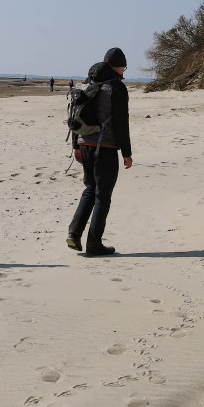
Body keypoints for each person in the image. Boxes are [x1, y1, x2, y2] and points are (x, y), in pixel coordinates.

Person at [67, 47, 133, 256]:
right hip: (105, 148)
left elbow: (75, 119)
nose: (124, 71)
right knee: (102, 196)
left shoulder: (88, 84)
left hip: (84, 145)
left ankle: (74, 234)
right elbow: (122, 123)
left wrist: (76, 146)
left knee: (89, 189)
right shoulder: (116, 88)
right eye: (123, 66)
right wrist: (127, 153)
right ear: (117, 66)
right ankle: (94, 244)